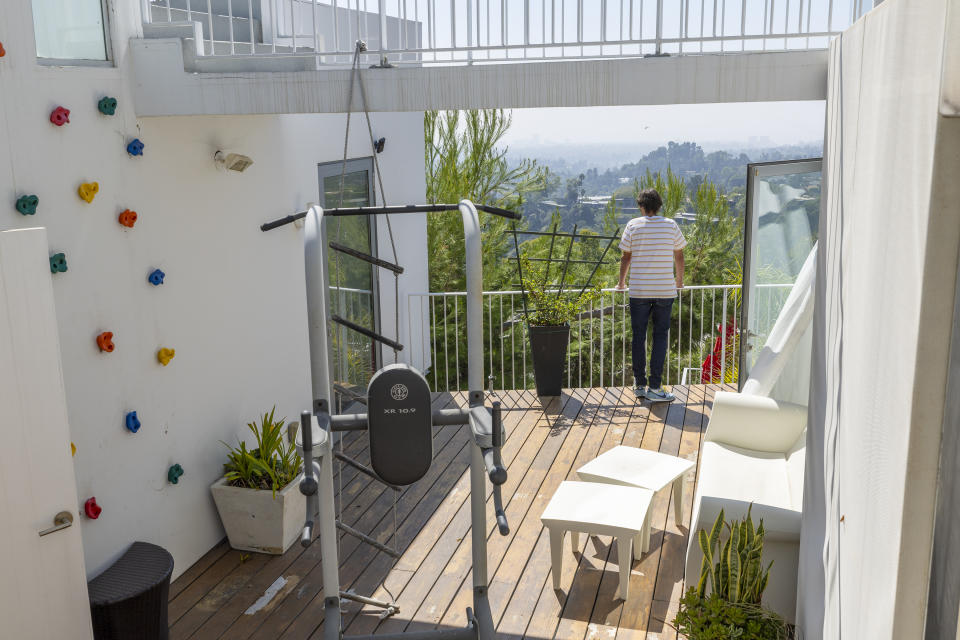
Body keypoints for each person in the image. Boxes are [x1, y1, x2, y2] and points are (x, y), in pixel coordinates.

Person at [616, 188, 686, 403]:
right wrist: (679, 282)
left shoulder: (633, 225)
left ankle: (639, 385)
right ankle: (655, 387)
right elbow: (680, 255)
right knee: (660, 337)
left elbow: (625, 257)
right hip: (665, 290)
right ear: (660, 205)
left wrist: (621, 283)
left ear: (641, 206)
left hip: (639, 290)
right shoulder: (671, 225)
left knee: (639, 336)